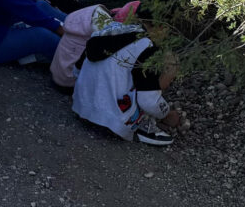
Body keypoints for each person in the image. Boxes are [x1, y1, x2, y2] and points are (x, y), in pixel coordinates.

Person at [71, 9, 183, 146]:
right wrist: (166, 114)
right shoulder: (147, 48)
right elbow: (147, 100)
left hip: (81, 106)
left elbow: (76, 71)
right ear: (163, 27)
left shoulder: (110, 29)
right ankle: (144, 126)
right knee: (149, 91)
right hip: (114, 122)